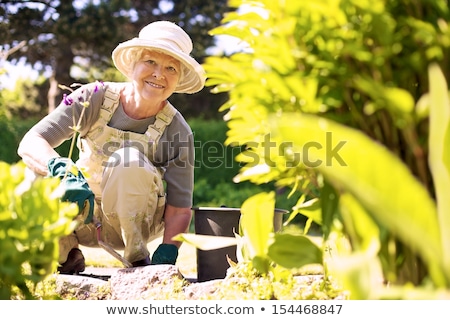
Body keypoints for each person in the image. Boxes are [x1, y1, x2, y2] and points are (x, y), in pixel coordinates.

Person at [17, 21, 206, 273]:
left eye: (171, 68)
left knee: (128, 159)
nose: (159, 74)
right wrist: (60, 169)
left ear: (178, 78)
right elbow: (31, 142)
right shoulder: (92, 97)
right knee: (33, 173)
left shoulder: (177, 130)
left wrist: (168, 250)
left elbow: (180, 208)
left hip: (134, 226)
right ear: (133, 65)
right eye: (150, 62)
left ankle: (138, 260)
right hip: (80, 215)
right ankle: (64, 253)